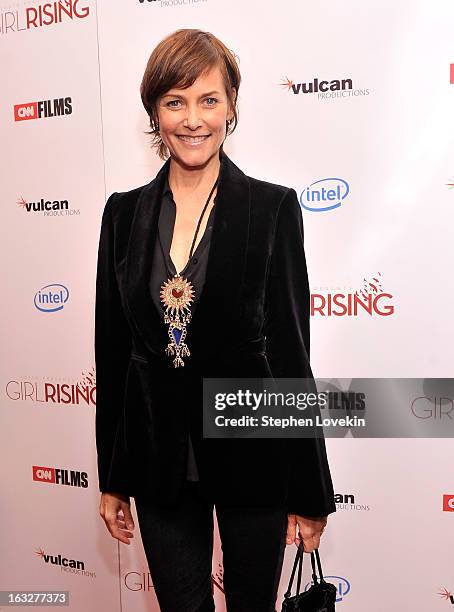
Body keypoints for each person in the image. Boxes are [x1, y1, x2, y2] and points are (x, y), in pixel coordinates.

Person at [95, 28, 336, 612]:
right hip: (157, 462)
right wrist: (111, 474)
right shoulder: (123, 214)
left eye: (208, 99)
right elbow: (113, 348)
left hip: (252, 453)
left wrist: (309, 490)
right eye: (175, 101)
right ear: (155, 112)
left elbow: (288, 352)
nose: (193, 119)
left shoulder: (270, 208)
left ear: (231, 106)